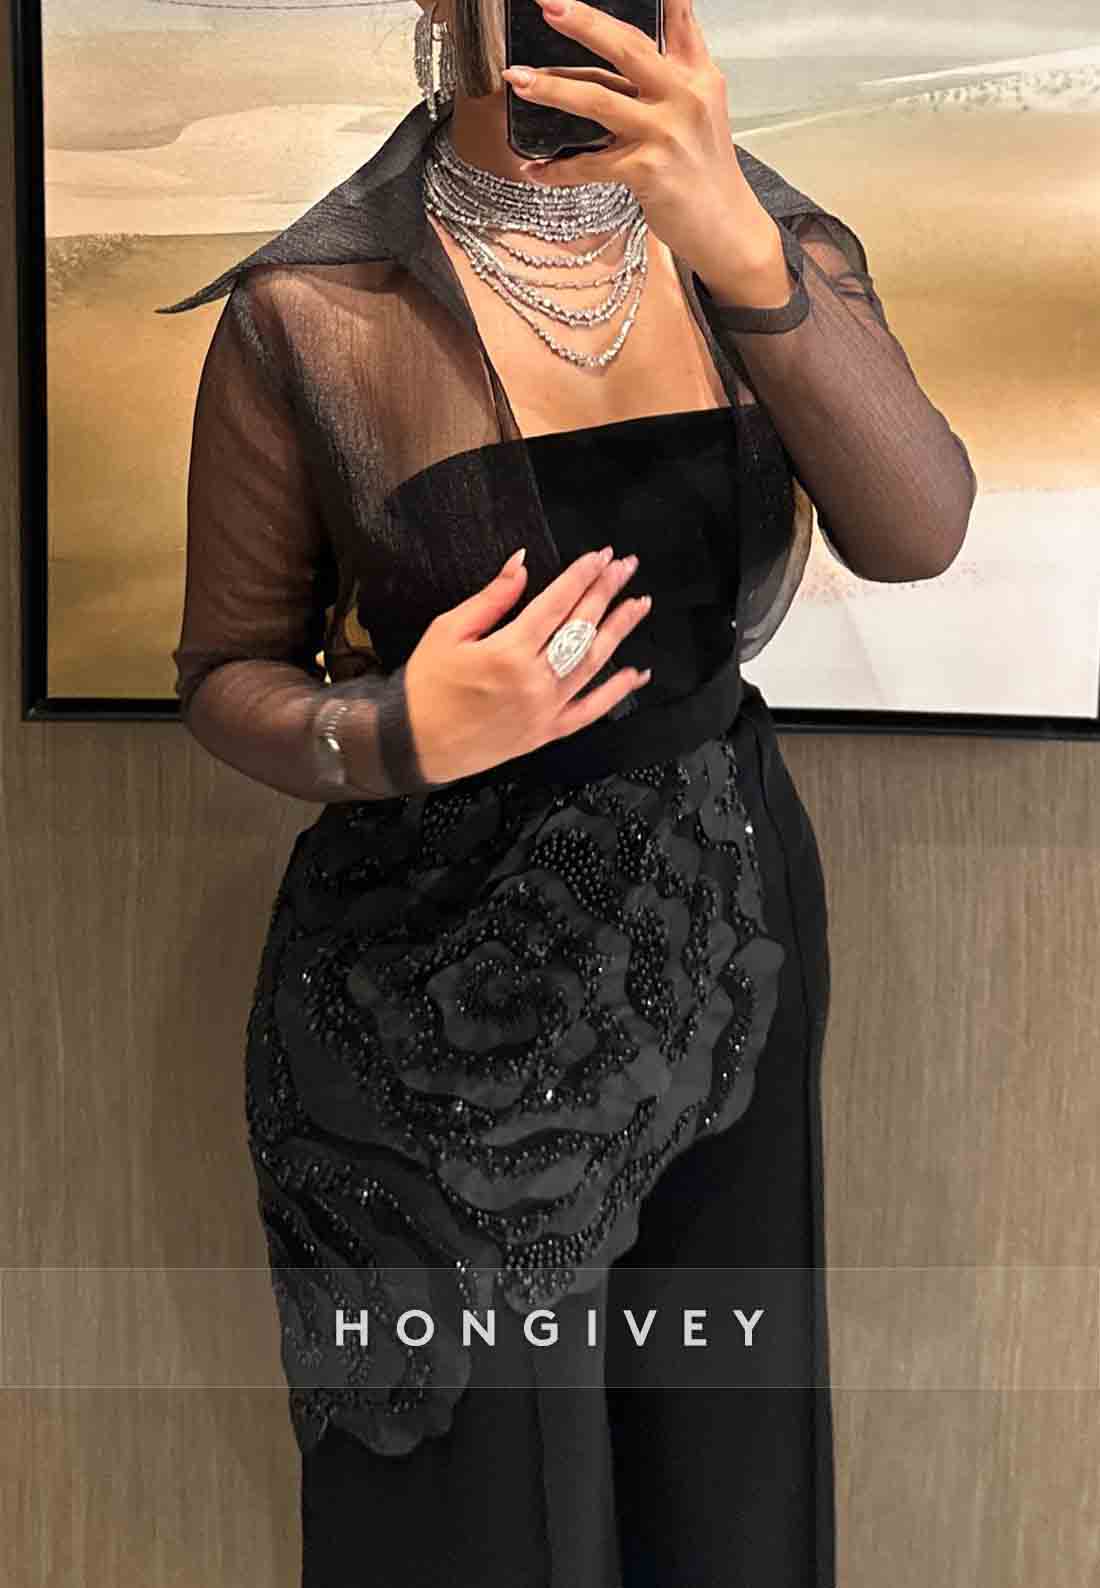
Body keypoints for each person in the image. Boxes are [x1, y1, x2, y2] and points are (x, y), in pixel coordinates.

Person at [157, 1, 977, 1583]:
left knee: (724, 1492)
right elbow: (224, 672)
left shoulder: (771, 246)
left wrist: (739, 247)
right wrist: (396, 732)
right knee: (478, 1530)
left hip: (722, 942)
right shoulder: (312, 305)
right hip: (424, 1001)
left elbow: (918, 529)